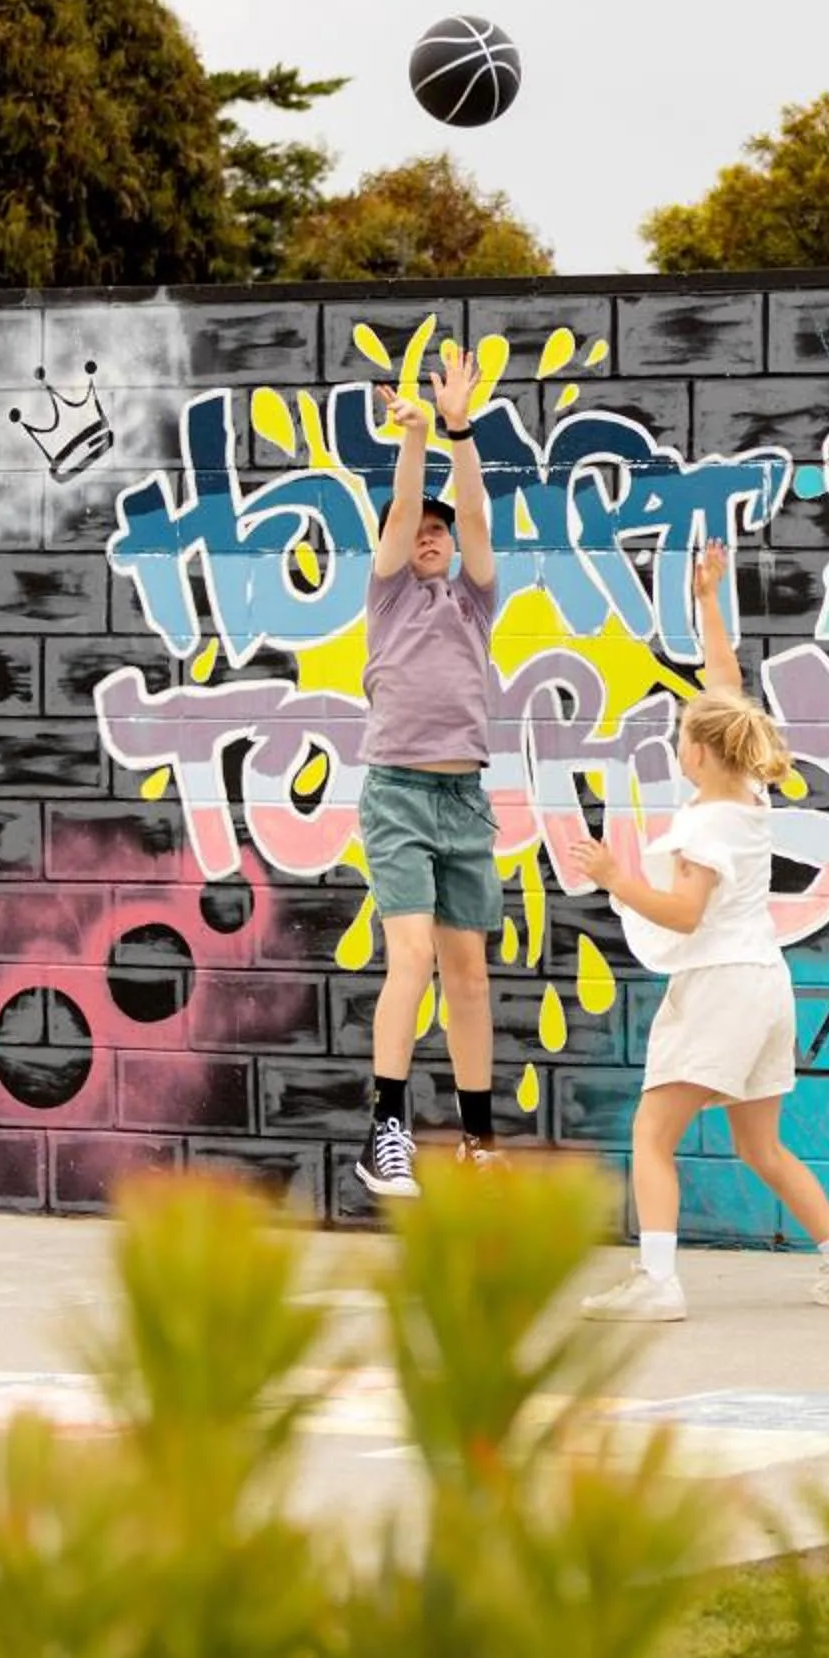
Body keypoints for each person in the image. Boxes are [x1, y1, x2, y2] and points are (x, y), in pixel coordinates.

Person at [567, 540, 829, 1320]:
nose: (678, 749)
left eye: (682, 742)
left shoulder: (705, 824)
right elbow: (726, 690)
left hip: (718, 987)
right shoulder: (748, 796)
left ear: (702, 756)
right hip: (766, 983)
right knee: (760, 1147)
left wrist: (614, 878)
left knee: (651, 1133)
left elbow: (682, 914)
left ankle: (659, 1283)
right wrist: (706, 599)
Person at [353, 339, 504, 1199]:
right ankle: (387, 1132)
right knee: (409, 957)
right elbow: (409, 503)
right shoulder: (390, 594)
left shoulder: (476, 599)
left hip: (464, 798)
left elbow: (474, 514)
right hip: (400, 795)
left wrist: (456, 428)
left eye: (440, 531)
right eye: (420, 532)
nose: (433, 536)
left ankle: (477, 1136)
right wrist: (411, 437)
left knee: (469, 972)